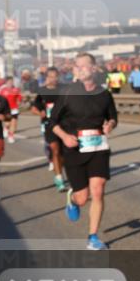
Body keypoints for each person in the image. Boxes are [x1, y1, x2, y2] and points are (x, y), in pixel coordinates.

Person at [50, 53, 118, 250]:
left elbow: (113, 117)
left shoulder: (104, 94)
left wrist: (110, 125)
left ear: (94, 68)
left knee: (98, 191)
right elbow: (52, 122)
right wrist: (64, 137)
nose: (80, 69)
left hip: (98, 148)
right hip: (74, 149)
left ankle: (93, 237)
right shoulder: (68, 93)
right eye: (77, 67)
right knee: (82, 198)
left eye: (84, 66)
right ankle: (72, 199)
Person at [30, 67, 68, 192]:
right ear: (46, 78)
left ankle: (59, 169)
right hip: (49, 125)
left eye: (55, 76)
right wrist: (40, 113)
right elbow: (34, 108)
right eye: (50, 76)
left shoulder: (64, 89)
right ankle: (59, 178)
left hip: (64, 125)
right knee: (55, 150)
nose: (53, 79)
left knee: (63, 154)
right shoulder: (42, 91)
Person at [0, 76, 22, 143]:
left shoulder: (16, 89)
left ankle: (11, 136)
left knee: (14, 123)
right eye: (9, 82)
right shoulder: (2, 89)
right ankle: (6, 128)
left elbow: (19, 97)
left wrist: (19, 101)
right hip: (5, 109)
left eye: (11, 82)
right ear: (6, 82)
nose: (10, 83)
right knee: (7, 124)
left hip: (14, 108)